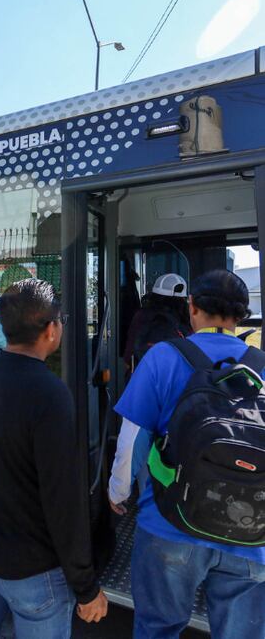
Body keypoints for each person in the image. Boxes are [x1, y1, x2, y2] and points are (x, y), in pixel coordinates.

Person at [108, 269, 265, 639]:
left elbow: (131, 441)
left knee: (158, 628)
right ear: (241, 316)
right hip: (251, 533)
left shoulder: (163, 356)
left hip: (170, 525)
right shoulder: (260, 364)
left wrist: (118, 493)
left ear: (192, 308)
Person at [0, 278, 108, 638]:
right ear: (50, 330)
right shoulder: (50, 393)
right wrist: (86, 587)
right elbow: (63, 500)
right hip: (31, 572)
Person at [122, 272, 192, 373]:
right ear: (183, 298)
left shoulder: (142, 316)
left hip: (145, 373)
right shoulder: (186, 319)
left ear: (155, 295)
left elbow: (130, 349)